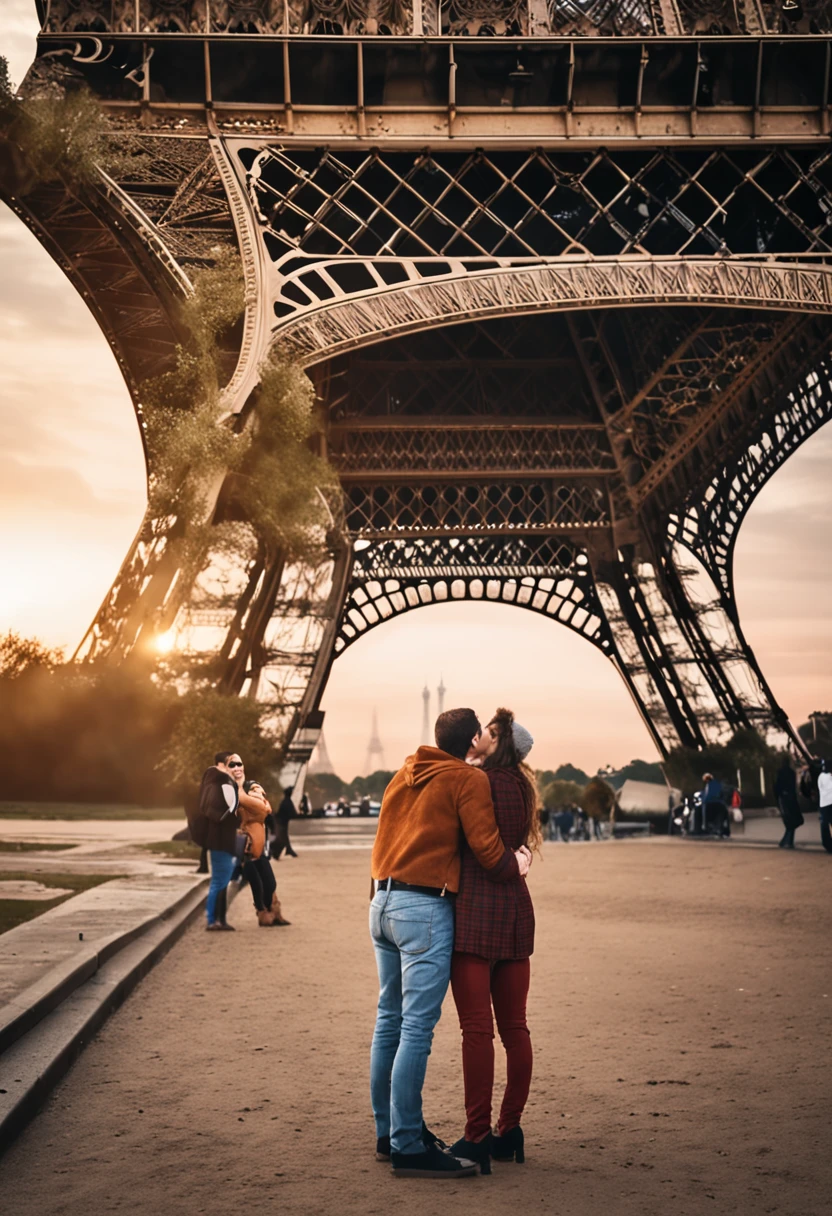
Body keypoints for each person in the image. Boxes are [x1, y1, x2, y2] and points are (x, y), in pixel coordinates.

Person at [369, 707, 532, 1179]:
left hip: (381, 900)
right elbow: (485, 848)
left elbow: (384, 835)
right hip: (424, 907)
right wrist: (517, 864)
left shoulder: (406, 770)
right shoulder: (467, 779)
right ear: (473, 738)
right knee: (417, 1030)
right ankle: (407, 1145)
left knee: (388, 1023)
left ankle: (389, 1133)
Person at [449, 708, 538, 1173]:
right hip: (517, 915)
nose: (480, 734)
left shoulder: (475, 782)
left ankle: (476, 1135)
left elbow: (473, 847)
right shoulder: (523, 786)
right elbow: (512, 844)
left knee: (476, 1033)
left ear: (500, 741)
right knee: (515, 1029)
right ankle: (509, 1129)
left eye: (490, 730)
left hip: (475, 917)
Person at [187, 751, 240, 932]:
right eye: (231, 764)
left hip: (221, 839)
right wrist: (235, 816)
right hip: (220, 840)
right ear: (221, 764)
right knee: (219, 881)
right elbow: (216, 812)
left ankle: (219, 920)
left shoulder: (215, 783)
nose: (235, 768)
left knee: (221, 881)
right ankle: (213, 920)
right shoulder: (218, 784)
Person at [238, 776, 291, 927]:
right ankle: (263, 912)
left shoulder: (263, 808)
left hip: (261, 850)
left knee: (269, 883)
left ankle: (272, 910)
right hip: (248, 851)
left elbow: (271, 825)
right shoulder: (243, 808)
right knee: (257, 884)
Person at [774, 756, 802, 849]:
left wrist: (777, 798)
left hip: (783, 797)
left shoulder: (780, 772)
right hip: (791, 798)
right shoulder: (791, 773)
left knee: (788, 821)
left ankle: (785, 841)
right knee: (792, 820)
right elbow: (794, 787)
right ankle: (788, 841)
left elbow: (777, 786)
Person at [273, 785, 299, 860]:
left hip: (281, 822)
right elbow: (293, 814)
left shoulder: (285, 801)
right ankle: (279, 852)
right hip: (282, 823)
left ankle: (288, 850)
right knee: (282, 838)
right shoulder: (287, 802)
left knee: (283, 837)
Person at [817, 759, 832, 854]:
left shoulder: (821, 776)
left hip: (824, 803)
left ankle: (827, 844)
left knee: (825, 824)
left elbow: (820, 788)